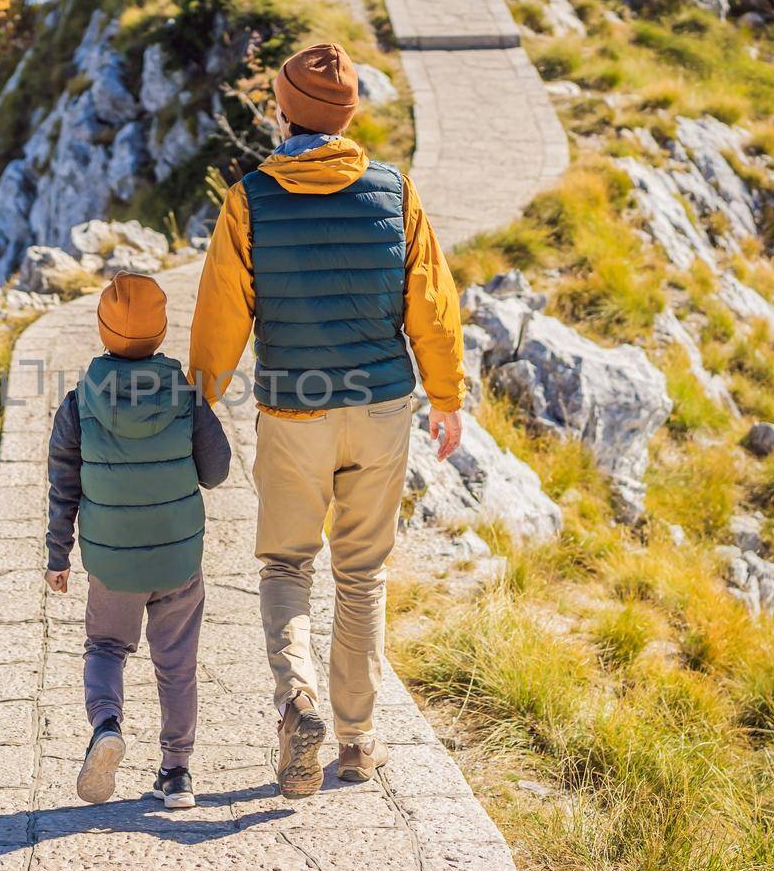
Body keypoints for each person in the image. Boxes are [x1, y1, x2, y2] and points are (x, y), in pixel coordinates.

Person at [189, 42, 466, 798]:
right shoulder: (394, 190)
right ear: (349, 116)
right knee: (361, 574)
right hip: (381, 411)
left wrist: (200, 399)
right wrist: (447, 396)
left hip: (294, 410)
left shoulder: (250, 196)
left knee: (286, 564)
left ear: (283, 112)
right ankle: (357, 741)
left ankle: (297, 700)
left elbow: (221, 315)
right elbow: (432, 309)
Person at [44, 272, 233, 810]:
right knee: (176, 664)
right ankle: (177, 775)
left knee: (106, 647)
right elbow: (216, 471)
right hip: (177, 556)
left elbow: (64, 485)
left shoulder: (79, 403)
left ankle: (107, 726)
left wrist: (58, 555)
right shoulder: (186, 396)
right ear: (162, 330)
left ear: (104, 332)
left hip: (110, 561)